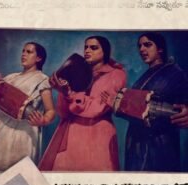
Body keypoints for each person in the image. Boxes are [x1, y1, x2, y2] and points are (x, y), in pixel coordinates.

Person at [39, 36, 126, 171]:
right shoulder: (77, 70)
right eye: (86, 47)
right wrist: (63, 93)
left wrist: (70, 94)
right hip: (69, 134)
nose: (87, 50)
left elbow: (97, 108)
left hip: (97, 135)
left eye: (94, 47)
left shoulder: (116, 74)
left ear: (105, 52)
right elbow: (63, 113)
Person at [123, 32, 188, 171]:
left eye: (147, 45)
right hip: (136, 144)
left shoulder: (173, 72)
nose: (141, 49)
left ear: (160, 49)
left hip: (160, 143)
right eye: (139, 46)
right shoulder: (144, 76)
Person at [0, 42, 56, 171]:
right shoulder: (10, 78)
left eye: (29, 52)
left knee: (16, 172)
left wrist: (43, 120)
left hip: (22, 132)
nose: (24, 54)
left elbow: (50, 110)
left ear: (38, 58)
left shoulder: (42, 79)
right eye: (23, 51)